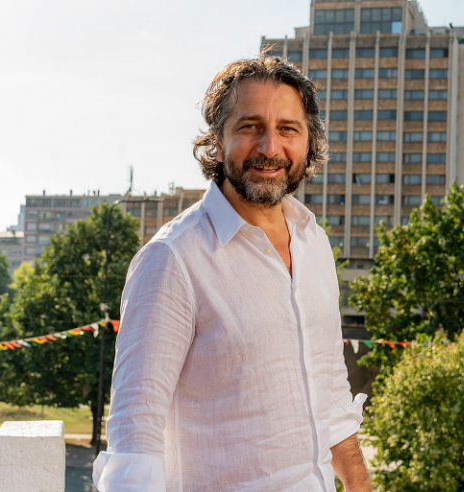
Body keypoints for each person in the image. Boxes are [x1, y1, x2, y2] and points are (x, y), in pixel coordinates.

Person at [93, 55, 371, 492]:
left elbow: (332, 395)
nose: (270, 148)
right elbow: (135, 438)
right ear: (217, 142)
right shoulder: (172, 259)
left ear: (309, 142)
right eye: (250, 127)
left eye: (288, 129)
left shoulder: (313, 242)